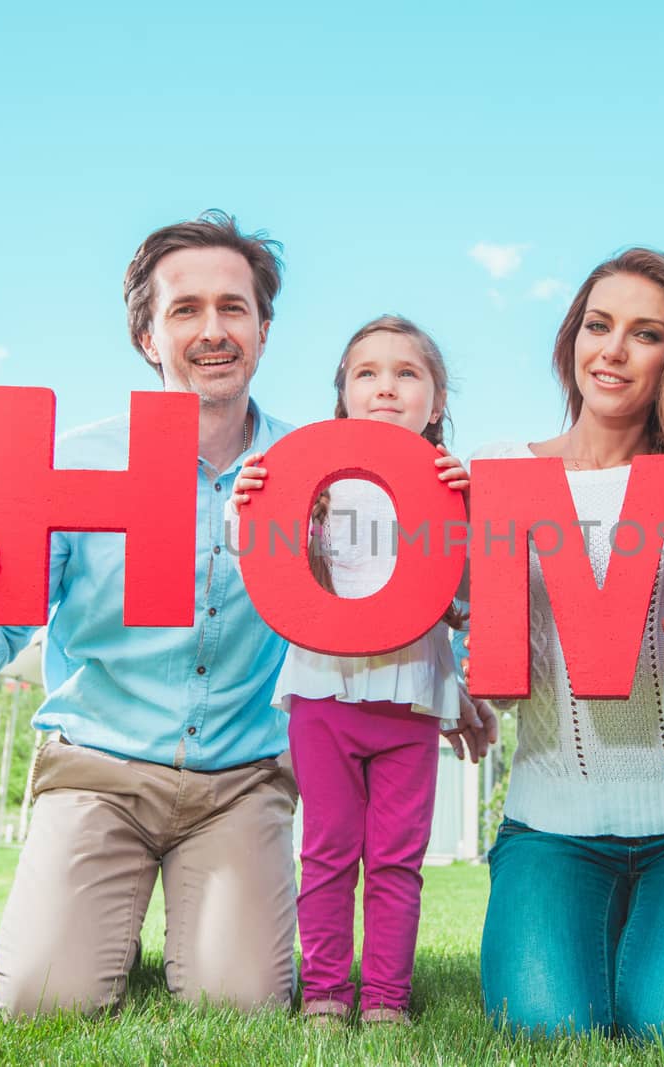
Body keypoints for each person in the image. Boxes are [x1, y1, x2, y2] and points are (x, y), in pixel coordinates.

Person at [0, 211, 304, 1018]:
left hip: (241, 779)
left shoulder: (316, 471)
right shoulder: (77, 462)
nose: (213, 330)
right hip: (98, 771)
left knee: (243, 1007)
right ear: (148, 337)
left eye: (234, 307)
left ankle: (205, 928)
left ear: (264, 328)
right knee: (41, 1002)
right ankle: (95, 922)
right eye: (184, 309)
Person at [474, 249, 664, 1041]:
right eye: (599, 326)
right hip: (551, 819)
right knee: (546, 1030)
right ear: (573, 338)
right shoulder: (500, 478)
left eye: (646, 333)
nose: (613, 350)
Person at [228, 315, 497, 1027]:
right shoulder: (312, 484)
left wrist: (476, 508)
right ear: (342, 395)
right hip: (324, 692)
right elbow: (256, 553)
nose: (386, 387)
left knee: (396, 861)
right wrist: (250, 501)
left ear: (435, 402)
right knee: (326, 852)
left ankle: (384, 998)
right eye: (366, 374)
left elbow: (471, 590)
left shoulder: (448, 484)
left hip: (410, 697)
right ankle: (322, 992)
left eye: (407, 373)